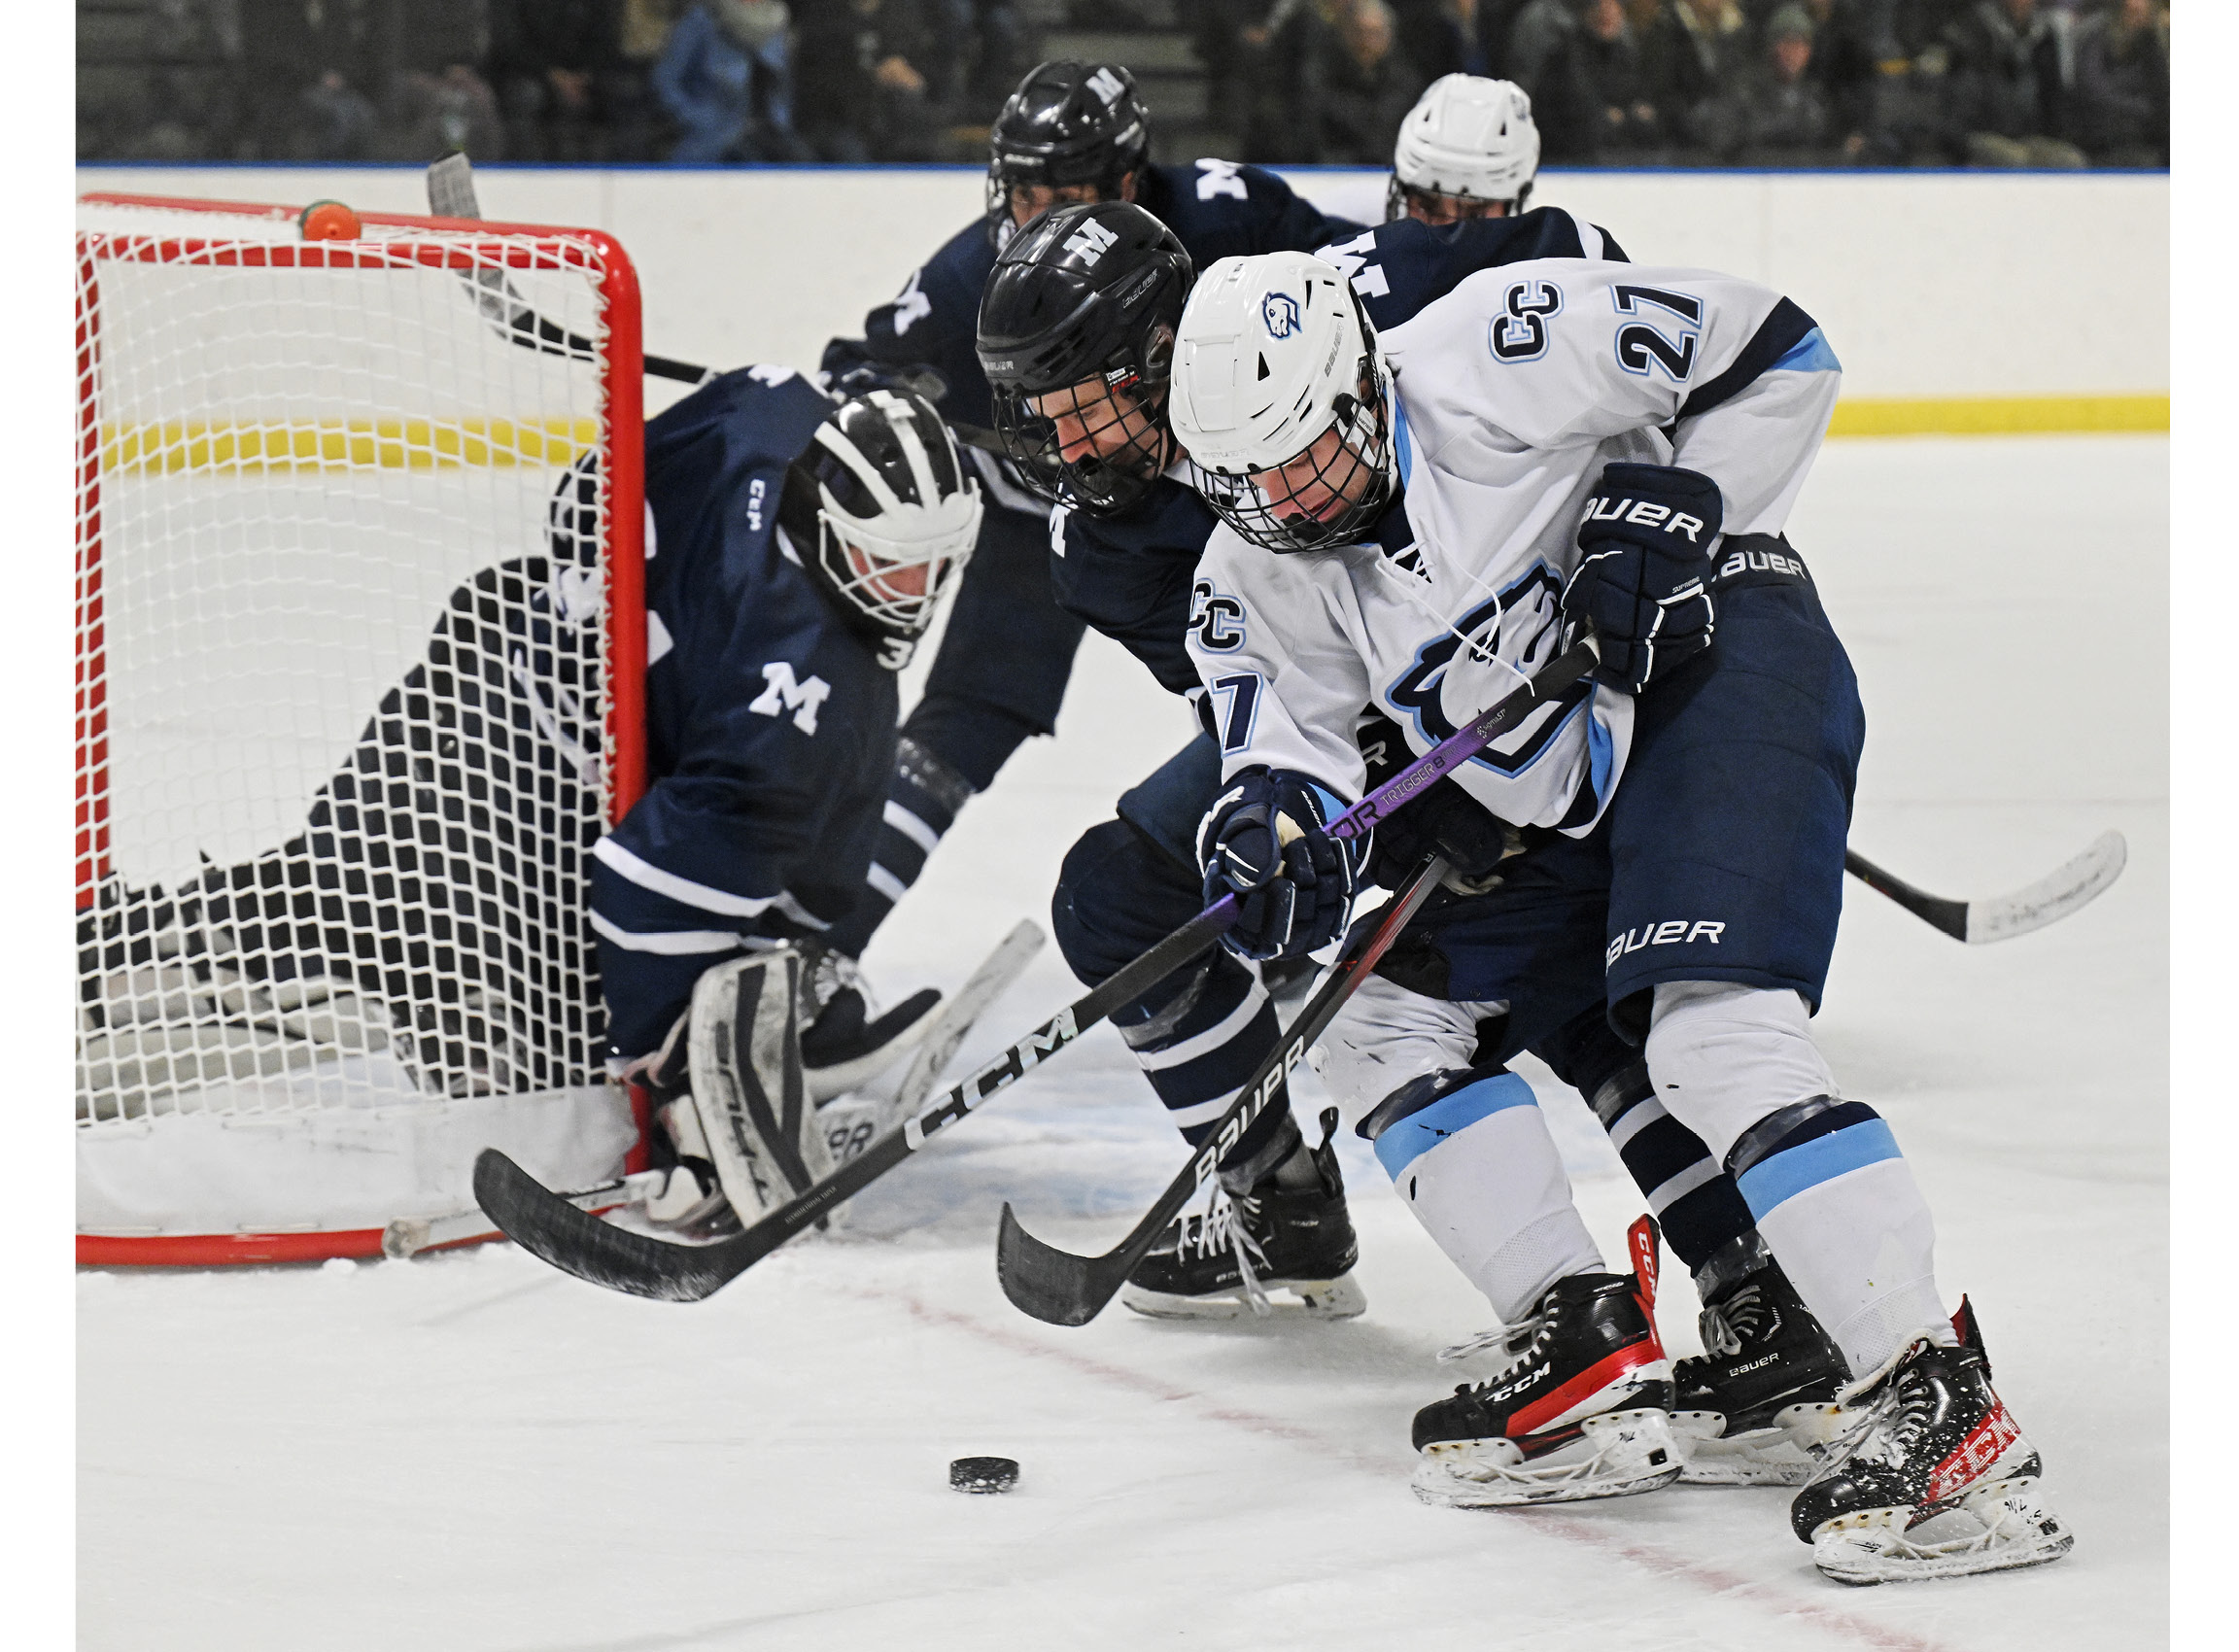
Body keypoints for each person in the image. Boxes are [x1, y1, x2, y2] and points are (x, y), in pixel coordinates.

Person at [1158, 244, 2069, 1578]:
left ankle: (1939, 1395)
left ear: (1360, 377)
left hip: (1721, 661)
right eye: (1250, 479)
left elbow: (1781, 352)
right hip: (1559, 794)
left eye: (1305, 453)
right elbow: (1280, 748)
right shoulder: (1254, 561)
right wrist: (1273, 838)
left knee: (1711, 1035)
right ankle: (1576, 1332)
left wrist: (1676, 504)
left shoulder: (1500, 345)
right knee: (1375, 1019)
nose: (1286, 498)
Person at [81, 377, 984, 1235]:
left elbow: (585, 494)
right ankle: (200, 988)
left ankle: (127, 952)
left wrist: (608, 580)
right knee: (412, 982)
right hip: (520, 804)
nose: (913, 596)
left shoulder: (771, 412)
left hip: (483, 663)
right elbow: (642, 897)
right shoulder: (811, 701)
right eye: (889, 566)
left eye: (934, 569)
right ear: (828, 517)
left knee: (329, 892)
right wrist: (672, 1076)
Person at [815, 60, 1361, 971]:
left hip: (1228, 509)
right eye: (1028, 189)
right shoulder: (967, 278)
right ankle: (822, 956)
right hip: (1053, 523)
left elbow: (1360, 283)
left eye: (1069, 188)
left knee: (1283, 690)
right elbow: (860, 374)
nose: (1043, 210)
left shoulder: (1227, 214)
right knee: (967, 720)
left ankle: (1284, 888)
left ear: (1129, 180)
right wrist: (885, 406)